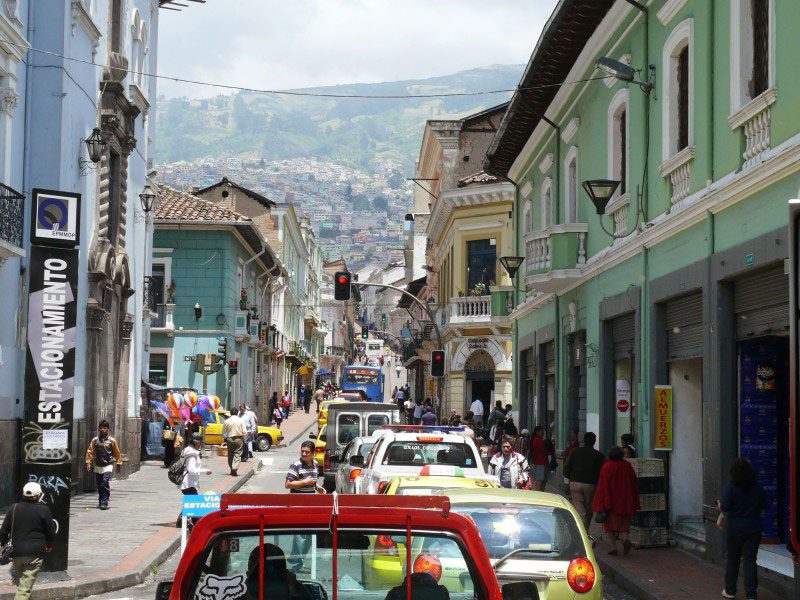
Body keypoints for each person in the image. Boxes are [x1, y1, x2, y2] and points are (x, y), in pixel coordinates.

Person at [718, 457, 766, 600]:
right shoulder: (758, 488)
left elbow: (725, 507)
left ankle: (730, 591)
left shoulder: (731, 487)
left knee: (733, 559)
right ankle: (751, 594)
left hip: (735, 530)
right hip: (753, 529)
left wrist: (719, 504)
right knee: (750, 561)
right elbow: (763, 507)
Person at [0, 482, 55, 600]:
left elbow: (3, 531)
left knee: (23, 585)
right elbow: (50, 531)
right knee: (24, 589)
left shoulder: (14, 508)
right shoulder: (44, 510)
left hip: (16, 553)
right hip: (34, 554)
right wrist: (49, 544)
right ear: (39, 495)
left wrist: (2, 544)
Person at [285, 441, 325, 573]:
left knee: (309, 536)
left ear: (313, 454)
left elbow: (313, 482)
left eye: (307, 452)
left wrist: (317, 487)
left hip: (310, 504)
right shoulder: (296, 465)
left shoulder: (314, 465)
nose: (303, 454)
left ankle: (295, 558)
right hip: (298, 504)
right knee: (300, 535)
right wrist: (304, 482)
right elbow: (288, 484)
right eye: (302, 451)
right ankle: (297, 564)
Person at [591, 446, 640, 556]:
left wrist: (601, 502)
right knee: (623, 524)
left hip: (611, 501)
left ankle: (613, 547)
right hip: (625, 500)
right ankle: (625, 539)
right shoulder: (627, 466)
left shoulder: (607, 467)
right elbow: (634, 483)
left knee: (610, 526)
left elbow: (603, 486)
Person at [563, 432, 605, 529]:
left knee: (580, 510)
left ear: (583, 440)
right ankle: (585, 531)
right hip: (591, 485)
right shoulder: (598, 455)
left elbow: (566, 469)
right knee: (589, 509)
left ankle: (582, 532)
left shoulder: (574, 452)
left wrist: (571, 478)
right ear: (594, 441)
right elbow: (601, 473)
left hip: (575, 483)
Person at [245, 543, 313, 600]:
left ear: (248, 575)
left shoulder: (239, 594)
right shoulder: (299, 593)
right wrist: (295, 585)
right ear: (286, 574)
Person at [176, 433, 212, 527]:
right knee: (195, 502)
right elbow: (191, 470)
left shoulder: (187, 450)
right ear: (196, 442)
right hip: (187, 482)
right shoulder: (192, 454)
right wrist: (205, 471)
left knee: (192, 502)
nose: (200, 445)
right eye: (200, 442)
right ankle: (194, 523)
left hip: (186, 482)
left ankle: (186, 522)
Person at [85, 419, 122, 509]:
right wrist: (88, 463)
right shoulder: (95, 440)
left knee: (105, 481)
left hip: (108, 465)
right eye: (101, 428)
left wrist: (119, 463)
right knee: (99, 484)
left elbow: (117, 452)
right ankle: (101, 500)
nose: (102, 430)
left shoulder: (111, 441)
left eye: (104, 428)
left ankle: (105, 502)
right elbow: (90, 452)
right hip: (98, 465)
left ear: (108, 429)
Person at [223, 410, 247, 476]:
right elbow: (244, 431)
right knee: (238, 453)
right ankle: (235, 467)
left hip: (229, 439)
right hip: (238, 438)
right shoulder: (241, 420)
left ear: (230, 413)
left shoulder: (226, 421)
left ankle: (231, 469)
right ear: (237, 413)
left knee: (230, 454)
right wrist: (245, 440)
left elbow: (224, 432)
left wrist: (225, 439)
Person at [530, 425, 549, 491]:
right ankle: (538, 492)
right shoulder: (536, 440)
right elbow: (543, 449)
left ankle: (541, 492)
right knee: (540, 479)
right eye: (541, 431)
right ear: (537, 432)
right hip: (540, 462)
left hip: (542, 461)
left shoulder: (539, 439)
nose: (543, 433)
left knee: (543, 479)